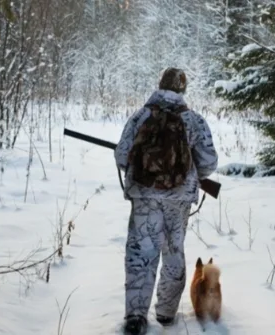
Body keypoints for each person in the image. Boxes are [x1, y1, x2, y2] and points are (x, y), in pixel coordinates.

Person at [114, 68, 219, 334]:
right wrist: (189, 176)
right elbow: (209, 161)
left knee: (140, 255)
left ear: (159, 85)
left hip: (144, 197)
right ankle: (166, 314)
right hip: (178, 200)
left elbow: (121, 155)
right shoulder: (193, 120)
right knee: (173, 252)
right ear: (182, 90)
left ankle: (136, 317)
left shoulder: (140, 116)